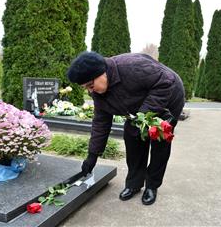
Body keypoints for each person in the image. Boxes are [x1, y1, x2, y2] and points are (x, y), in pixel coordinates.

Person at [67, 51, 185, 205]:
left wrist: (143, 116)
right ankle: (134, 184)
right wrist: (92, 155)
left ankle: (152, 185)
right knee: (132, 138)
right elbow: (101, 123)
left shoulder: (132, 66)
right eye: (86, 88)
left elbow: (165, 81)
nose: (90, 91)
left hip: (168, 98)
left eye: (90, 85)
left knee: (159, 143)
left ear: (101, 73)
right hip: (137, 109)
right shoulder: (98, 93)